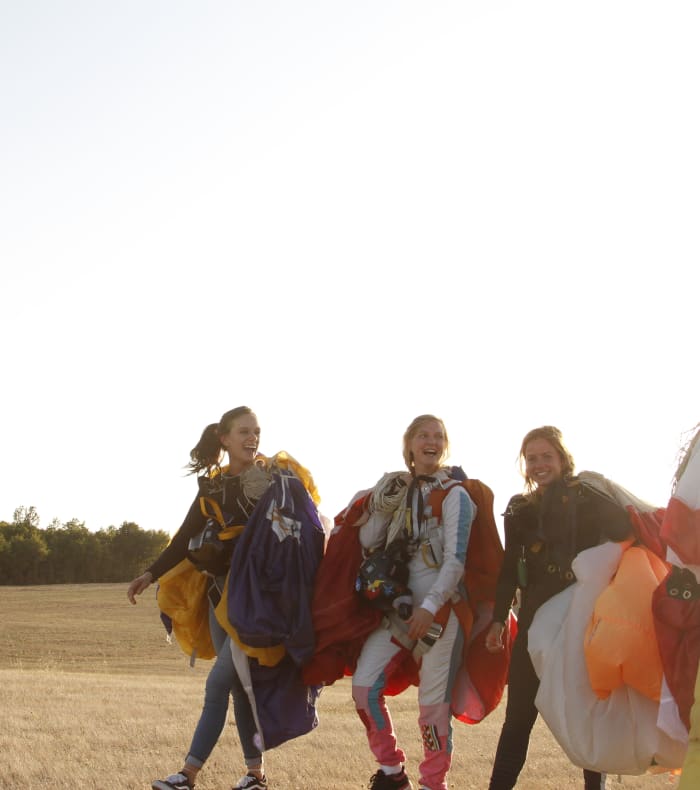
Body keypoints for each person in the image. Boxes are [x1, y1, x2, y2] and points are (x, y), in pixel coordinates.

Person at [127, 406, 324, 790]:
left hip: (259, 604)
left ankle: (187, 775)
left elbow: (304, 530)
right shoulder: (212, 488)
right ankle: (256, 776)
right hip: (218, 597)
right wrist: (149, 575)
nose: (253, 438)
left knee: (217, 684)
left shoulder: (277, 480)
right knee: (238, 688)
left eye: (256, 431)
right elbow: (183, 539)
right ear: (225, 438)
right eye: (244, 431)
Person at [485, 425, 633, 790]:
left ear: (563, 459)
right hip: (532, 622)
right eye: (531, 458)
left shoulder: (586, 498)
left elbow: (622, 529)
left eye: (546, 456)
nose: (539, 465)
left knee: (585, 715)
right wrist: (499, 619)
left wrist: (597, 489)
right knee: (518, 719)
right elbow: (509, 570)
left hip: (580, 624)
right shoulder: (519, 509)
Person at [351, 415, 477, 790]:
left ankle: (433, 784)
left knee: (432, 709)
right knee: (363, 689)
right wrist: (382, 501)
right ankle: (392, 772)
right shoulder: (399, 490)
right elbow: (368, 541)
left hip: (441, 615)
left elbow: (455, 561)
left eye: (438, 436)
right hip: (398, 611)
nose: (431, 441)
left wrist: (429, 607)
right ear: (409, 444)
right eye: (423, 435)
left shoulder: (455, 495)